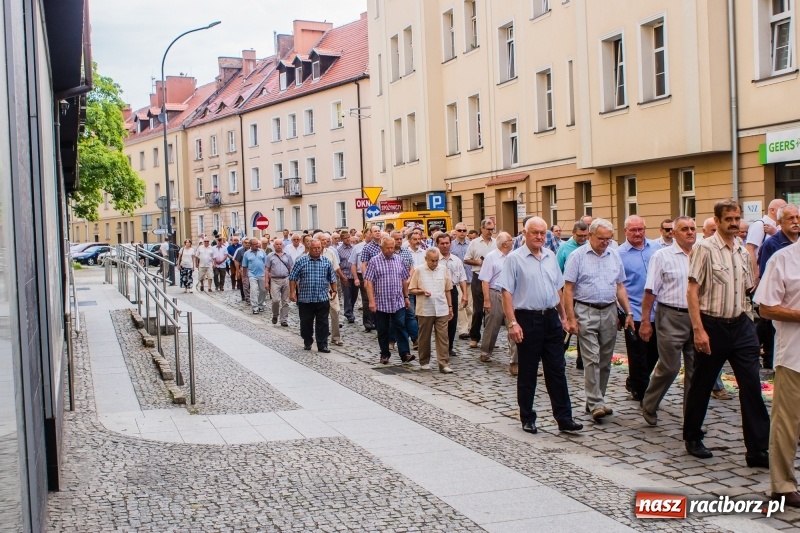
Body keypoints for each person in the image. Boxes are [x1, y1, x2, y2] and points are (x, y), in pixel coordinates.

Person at [683, 199, 770, 467]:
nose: (734, 223)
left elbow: (747, 288)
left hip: (741, 324)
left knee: (752, 386)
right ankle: (693, 436)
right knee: (702, 383)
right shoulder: (704, 248)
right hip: (713, 325)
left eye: (737, 218)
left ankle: (757, 450)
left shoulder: (742, 251)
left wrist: (748, 318)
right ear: (718, 220)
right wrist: (699, 330)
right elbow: (692, 291)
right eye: (728, 219)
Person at [498, 217, 582, 434]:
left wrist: (564, 317)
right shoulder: (514, 259)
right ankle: (527, 416)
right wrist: (512, 323)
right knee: (528, 371)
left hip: (551, 319)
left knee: (557, 370)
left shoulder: (550, 256)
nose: (538, 237)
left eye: (542, 233)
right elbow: (506, 292)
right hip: (527, 319)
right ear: (524, 233)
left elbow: (558, 289)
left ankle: (564, 418)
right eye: (534, 232)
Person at [564, 219, 634, 421]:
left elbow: (620, 286)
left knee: (605, 359)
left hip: (610, 310)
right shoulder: (577, 256)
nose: (606, 242)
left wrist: (628, 312)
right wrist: (570, 318)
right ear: (591, 236)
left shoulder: (614, 254)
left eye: (609, 239)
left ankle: (596, 399)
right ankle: (595, 403)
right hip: (586, 310)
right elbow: (568, 289)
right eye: (602, 238)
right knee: (591, 358)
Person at [754, 238, 800, 508]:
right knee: (787, 422)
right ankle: (782, 485)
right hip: (795, 356)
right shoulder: (783, 259)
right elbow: (766, 308)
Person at [639, 216, 697, 425]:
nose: (690, 232)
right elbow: (650, 291)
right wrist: (646, 320)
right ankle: (650, 403)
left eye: (692, 228)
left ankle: (692, 419)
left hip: (697, 317)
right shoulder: (662, 256)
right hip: (671, 316)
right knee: (670, 367)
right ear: (673, 232)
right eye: (684, 229)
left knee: (695, 370)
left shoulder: (701, 254)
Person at [618, 215, 660, 402]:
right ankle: (643, 394)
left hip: (658, 310)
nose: (638, 233)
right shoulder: (618, 254)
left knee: (655, 352)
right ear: (625, 231)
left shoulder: (657, 249)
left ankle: (634, 380)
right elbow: (617, 285)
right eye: (633, 230)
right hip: (633, 310)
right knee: (638, 354)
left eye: (641, 229)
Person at [756, 204, 800, 370]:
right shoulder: (775, 249)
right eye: (790, 218)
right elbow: (767, 303)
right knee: (767, 329)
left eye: (797, 217)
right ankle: (766, 355)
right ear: (780, 222)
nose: (795, 222)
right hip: (792, 355)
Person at [364, 237, 414, 365]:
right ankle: (384, 354)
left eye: (392, 247)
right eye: (388, 248)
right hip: (381, 301)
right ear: (382, 247)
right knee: (383, 329)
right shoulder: (374, 261)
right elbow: (369, 282)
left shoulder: (399, 259)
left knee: (400, 325)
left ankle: (405, 353)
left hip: (398, 301)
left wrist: (406, 297)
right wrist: (371, 301)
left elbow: (404, 279)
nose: (391, 250)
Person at [409, 248, 454, 373]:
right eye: (432, 261)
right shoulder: (419, 270)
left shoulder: (443, 269)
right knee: (424, 336)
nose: (434, 263)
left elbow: (448, 290)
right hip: (425, 309)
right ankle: (424, 361)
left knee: (443, 337)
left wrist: (450, 307)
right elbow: (411, 289)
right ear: (426, 259)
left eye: (436, 260)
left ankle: (443, 363)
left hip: (441, 308)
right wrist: (422, 292)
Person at [479, 232, 518, 375]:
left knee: (513, 325)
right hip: (495, 292)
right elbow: (485, 280)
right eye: (510, 240)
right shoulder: (491, 257)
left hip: (511, 295)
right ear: (503, 244)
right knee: (492, 324)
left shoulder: (514, 256)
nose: (512, 241)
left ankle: (516, 360)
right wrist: (487, 300)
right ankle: (485, 351)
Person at [289, 239, 337, 353]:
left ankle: (322, 344)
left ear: (321, 248)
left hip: (322, 298)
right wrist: (292, 292)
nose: (316, 250)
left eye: (318, 248)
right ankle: (307, 340)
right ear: (309, 248)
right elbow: (292, 277)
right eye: (314, 248)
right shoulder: (301, 261)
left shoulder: (326, 261)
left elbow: (332, 278)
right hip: (306, 298)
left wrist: (334, 290)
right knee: (306, 322)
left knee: (323, 322)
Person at [555, 220, 591, 370]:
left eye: (585, 235)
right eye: (580, 236)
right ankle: (558, 359)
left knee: (585, 327)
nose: (583, 238)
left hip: (585, 294)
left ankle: (582, 360)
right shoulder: (564, 248)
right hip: (568, 292)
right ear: (573, 233)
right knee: (566, 326)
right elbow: (557, 272)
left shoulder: (590, 246)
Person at [464, 218, 497, 348]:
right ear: (482, 228)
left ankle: (490, 339)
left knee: (493, 311)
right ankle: (474, 337)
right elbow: (466, 259)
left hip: (493, 279)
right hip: (478, 277)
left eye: (492, 229)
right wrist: (477, 262)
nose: (490, 232)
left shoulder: (496, 243)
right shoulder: (474, 243)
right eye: (488, 229)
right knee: (478, 310)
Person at [436, 233, 468, 358]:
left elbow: (462, 278)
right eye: (442, 243)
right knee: (439, 320)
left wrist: (464, 294)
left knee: (452, 320)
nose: (445, 246)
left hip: (453, 290)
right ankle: (441, 347)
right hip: (438, 291)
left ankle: (449, 347)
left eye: (447, 243)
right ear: (437, 244)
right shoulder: (434, 259)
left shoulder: (456, 260)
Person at [319, 232, 348, 347]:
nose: (326, 242)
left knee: (335, 310)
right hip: (319, 287)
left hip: (331, 286)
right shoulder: (312, 254)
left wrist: (342, 277)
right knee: (321, 313)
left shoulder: (330, 252)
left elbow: (336, 267)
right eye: (323, 240)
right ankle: (321, 336)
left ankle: (336, 337)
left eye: (327, 240)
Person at [746, 198, 785, 275]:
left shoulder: (780, 227)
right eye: (782, 209)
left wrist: (775, 233)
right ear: (772, 210)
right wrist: (756, 273)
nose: (785, 212)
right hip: (763, 272)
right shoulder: (759, 225)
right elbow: (749, 250)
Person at [359, 226, 384, 332]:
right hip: (372, 277)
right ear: (371, 233)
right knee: (369, 299)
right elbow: (364, 264)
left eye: (379, 231)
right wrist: (366, 278)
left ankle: (379, 322)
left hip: (384, 278)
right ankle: (368, 322)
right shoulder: (368, 247)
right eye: (375, 231)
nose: (378, 233)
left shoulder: (384, 244)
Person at [451, 222, 472, 340]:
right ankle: (463, 330)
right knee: (460, 304)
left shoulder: (471, 244)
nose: (462, 233)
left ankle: (470, 328)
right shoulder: (451, 245)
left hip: (471, 278)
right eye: (460, 230)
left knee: (470, 307)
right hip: (457, 279)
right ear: (455, 232)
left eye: (464, 230)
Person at [266, 237, 293, 326]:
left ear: (283, 245)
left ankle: (284, 319)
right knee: (275, 300)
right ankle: (275, 314)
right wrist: (266, 282)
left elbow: (291, 268)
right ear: (274, 246)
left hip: (286, 279)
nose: (279, 246)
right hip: (275, 279)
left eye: (280, 244)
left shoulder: (287, 256)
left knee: (285, 301)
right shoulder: (270, 256)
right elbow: (267, 269)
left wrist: (292, 280)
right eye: (277, 244)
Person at [241, 238, 268, 314]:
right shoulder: (247, 254)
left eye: (257, 243)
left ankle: (260, 304)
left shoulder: (262, 252)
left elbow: (266, 265)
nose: (257, 245)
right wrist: (244, 277)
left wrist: (267, 275)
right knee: (253, 290)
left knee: (264, 290)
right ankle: (255, 307)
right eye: (255, 244)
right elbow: (244, 266)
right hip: (252, 275)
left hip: (262, 274)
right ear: (250, 245)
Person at [338, 231, 357, 324]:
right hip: (345, 274)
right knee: (347, 295)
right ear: (342, 239)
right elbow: (337, 265)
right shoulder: (339, 250)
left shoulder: (354, 248)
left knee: (354, 295)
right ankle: (348, 314)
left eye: (349, 237)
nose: (348, 239)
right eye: (345, 238)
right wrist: (342, 276)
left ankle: (351, 310)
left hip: (354, 275)